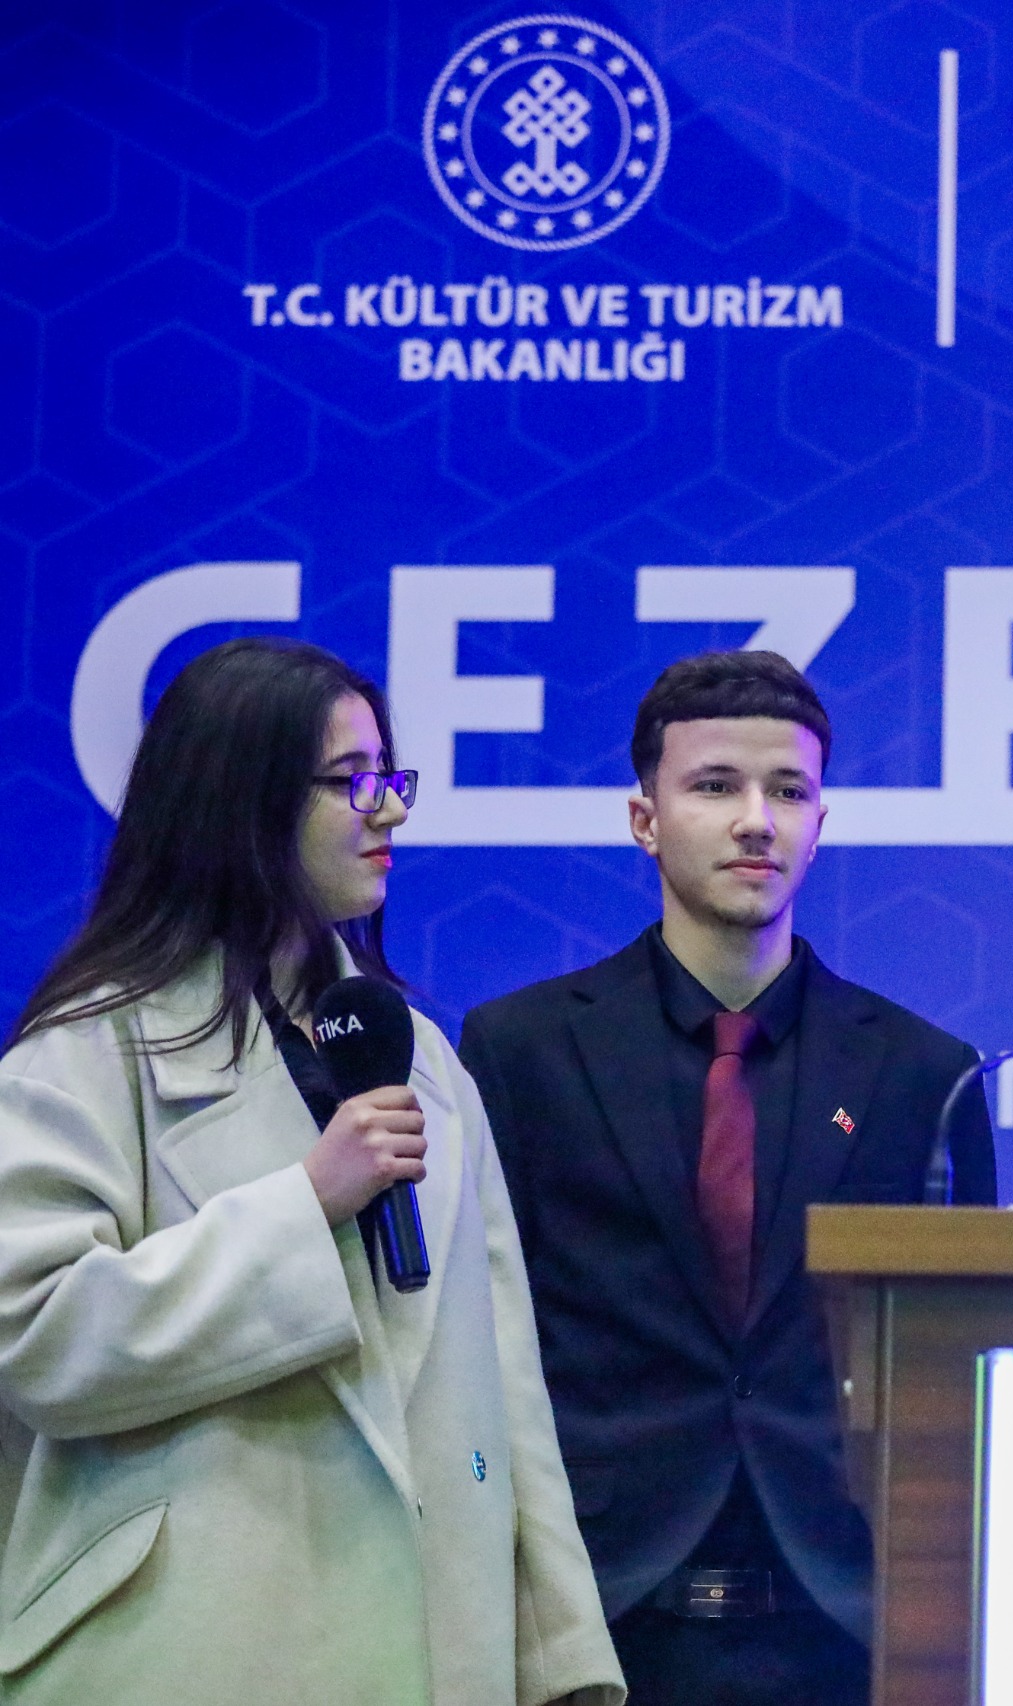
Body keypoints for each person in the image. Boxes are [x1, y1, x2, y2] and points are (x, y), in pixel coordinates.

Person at [0, 638, 622, 1705]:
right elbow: (36, 1336)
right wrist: (305, 1205)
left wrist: (562, 1655)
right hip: (187, 1654)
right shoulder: (89, 1051)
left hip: (436, 1649)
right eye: (351, 780)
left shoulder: (422, 1058)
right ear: (238, 800)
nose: (391, 809)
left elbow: (504, 1387)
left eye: (389, 775)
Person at [458, 650, 996, 1706]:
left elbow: (957, 1365)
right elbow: (480, 1348)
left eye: (787, 791)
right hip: (598, 1622)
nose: (756, 821)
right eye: (714, 786)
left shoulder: (923, 1072)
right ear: (644, 817)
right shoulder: (521, 1049)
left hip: (846, 1623)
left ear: (820, 823)